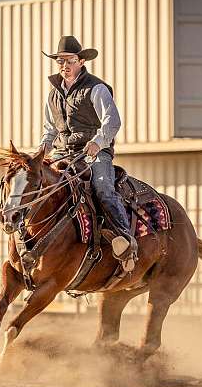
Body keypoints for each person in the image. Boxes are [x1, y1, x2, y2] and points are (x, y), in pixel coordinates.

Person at [39, 35, 137, 271]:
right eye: (60, 61)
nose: (64, 65)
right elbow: (49, 130)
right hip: (63, 153)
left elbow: (112, 122)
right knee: (39, 186)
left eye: (69, 60)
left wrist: (98, 142)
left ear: (81, 61)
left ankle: (126, 241)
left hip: (93, 153)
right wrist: (40, 153)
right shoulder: (53, 94)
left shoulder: (97, 88)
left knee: (102, 187)